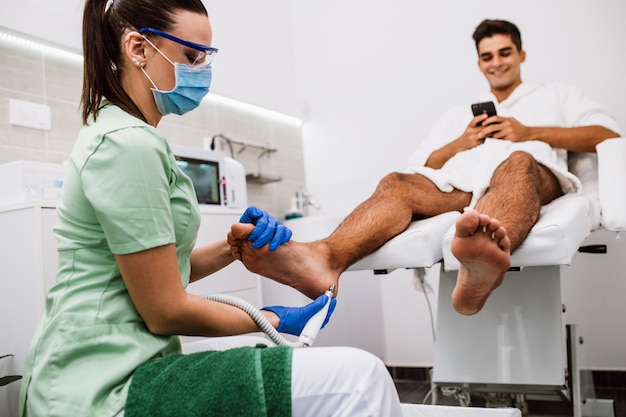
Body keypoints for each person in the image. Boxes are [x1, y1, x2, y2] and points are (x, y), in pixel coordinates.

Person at [18, 1, 403, 416]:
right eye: (191, 56)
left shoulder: (127, 135)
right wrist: (273, 318)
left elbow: (156, 272)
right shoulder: (128, 145)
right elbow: (166, 310)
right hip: (96, 387)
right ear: (138, 48)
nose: (202, 70)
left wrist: (231, 247)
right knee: (361, 379)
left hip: (118, 362)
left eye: (206, 57)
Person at [229, 19, 621, 316]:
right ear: (479, 63)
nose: (497, 63)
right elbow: (422, 165)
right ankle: (325, 258)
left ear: (521, 55)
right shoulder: (458, 114)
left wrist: (528, 132)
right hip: (465, 184)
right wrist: (461, 143)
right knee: (395, 181)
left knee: (515, 160)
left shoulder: (557, 96)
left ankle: (482, 256)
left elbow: (608, 133)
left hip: (528, 174)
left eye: (505, 53)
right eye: (487, 56)